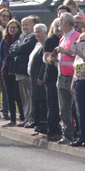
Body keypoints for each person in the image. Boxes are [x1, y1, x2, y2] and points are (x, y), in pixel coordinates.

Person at [53, 12, 78, 143]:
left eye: (61, 21)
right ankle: (67, 135)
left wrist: (64, 52)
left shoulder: (76, 36)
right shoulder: (63, 38)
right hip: (61, 76)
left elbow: (78, 55)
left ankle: (78, 134)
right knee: (64, 108)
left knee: (77, 108)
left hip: (73, 77)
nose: (58, 24)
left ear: (67, 23)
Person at [8, 16, 38, 126]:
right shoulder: (22, 36)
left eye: (26, 25)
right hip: (19, 71)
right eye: (22, 25)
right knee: (23, 97)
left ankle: (30, 118)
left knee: (29, 96)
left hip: (27, 71)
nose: (24, 27)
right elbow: (12, 49)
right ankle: (26, 118)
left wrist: (18, 48)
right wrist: (18, 48)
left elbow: (23, 48)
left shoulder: (33, 37)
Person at [39, 19, 63, 141]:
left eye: (60, 26)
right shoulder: (50, 40)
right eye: (56, 26)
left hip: (64, 76)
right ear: (52, 28)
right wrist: (53, 60)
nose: (58, 28)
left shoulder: (65, 39)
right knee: (53, 105)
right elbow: (46, 56)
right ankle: (52, 131)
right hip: (51, 77)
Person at [0, 18, 24, 126]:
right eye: (10, 27)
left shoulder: (21, 39)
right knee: (9, 95)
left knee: (18, 95)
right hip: (6, 70)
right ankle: (12, 119)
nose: (12, 29)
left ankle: (22, 118)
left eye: (14, 27)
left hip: (17, 70)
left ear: (18, 28)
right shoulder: (4, 40)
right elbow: (1, 55)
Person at [28, 23, 48, 134]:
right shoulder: (37, 44)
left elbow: (43, 63)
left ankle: (41, 122)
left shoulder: (45, 44)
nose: (36, 34)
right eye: (35, 31)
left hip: (39, 77)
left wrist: (41, 76)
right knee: (34, 99)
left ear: (45, 32)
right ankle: (35, 121)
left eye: (39, 31)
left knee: (41, 101)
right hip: (32, 75)